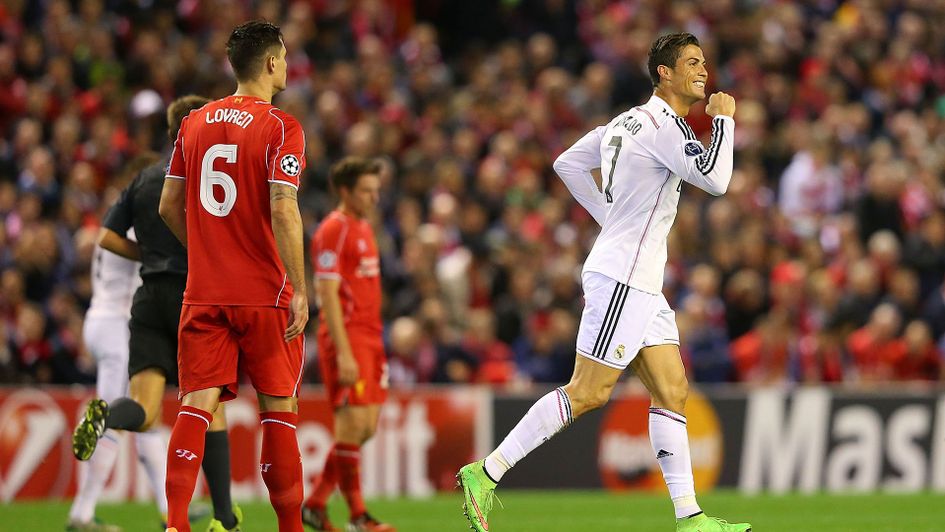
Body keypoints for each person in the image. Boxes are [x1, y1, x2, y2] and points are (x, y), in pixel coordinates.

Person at [457, 33, 752, 532]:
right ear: (664, 72)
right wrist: (722, 119)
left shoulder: (624, 123)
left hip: (640, 280)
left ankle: (691, 518)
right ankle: (485, 472)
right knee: (589, 392)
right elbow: (717, 180)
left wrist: (608, 217)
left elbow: (566, 163)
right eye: (693, 63)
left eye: (705, 62)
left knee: (673, 389)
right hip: (622, 278)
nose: (704, 71)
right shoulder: (664, 126)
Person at [158, 20, 308, 532]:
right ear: (270, 63)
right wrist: (301, 287)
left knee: (195, 406)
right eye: (284, 57)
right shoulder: (281, 127)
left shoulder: (194, 123)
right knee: (278, 409)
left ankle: (176, 523)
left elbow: (168, 205)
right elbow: (284, 207)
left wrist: (206, 252)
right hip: (264, 293)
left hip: (204, 294)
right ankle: (289, 526)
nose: (287, 66)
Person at [71, 97, 240, 532]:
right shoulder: (216, 175)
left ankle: (107, 416)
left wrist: (147, 254)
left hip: (147, 299)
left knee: (145, 410)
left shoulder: (144, 178)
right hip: (194, 296)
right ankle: (224, 517)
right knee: (211, 404)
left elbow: (105, 236)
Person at [301, 158, 395, 532]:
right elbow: (326, 291)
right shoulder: (332, 230)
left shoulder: (363, 226)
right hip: (348, 335)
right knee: (352, 423)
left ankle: (316, 503)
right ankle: (358, 515)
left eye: (376, 190)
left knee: (366, 426)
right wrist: (342, 351)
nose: (374, 197)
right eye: (366, 191)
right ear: (344, 191)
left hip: (372, 335)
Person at [67, 157, 153, 532]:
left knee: (144, 416)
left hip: (98, 319)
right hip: (117, 325)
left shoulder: (113, 220)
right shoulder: (136, 225)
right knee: (112, 419)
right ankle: (82, 514)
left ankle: (170, 505)